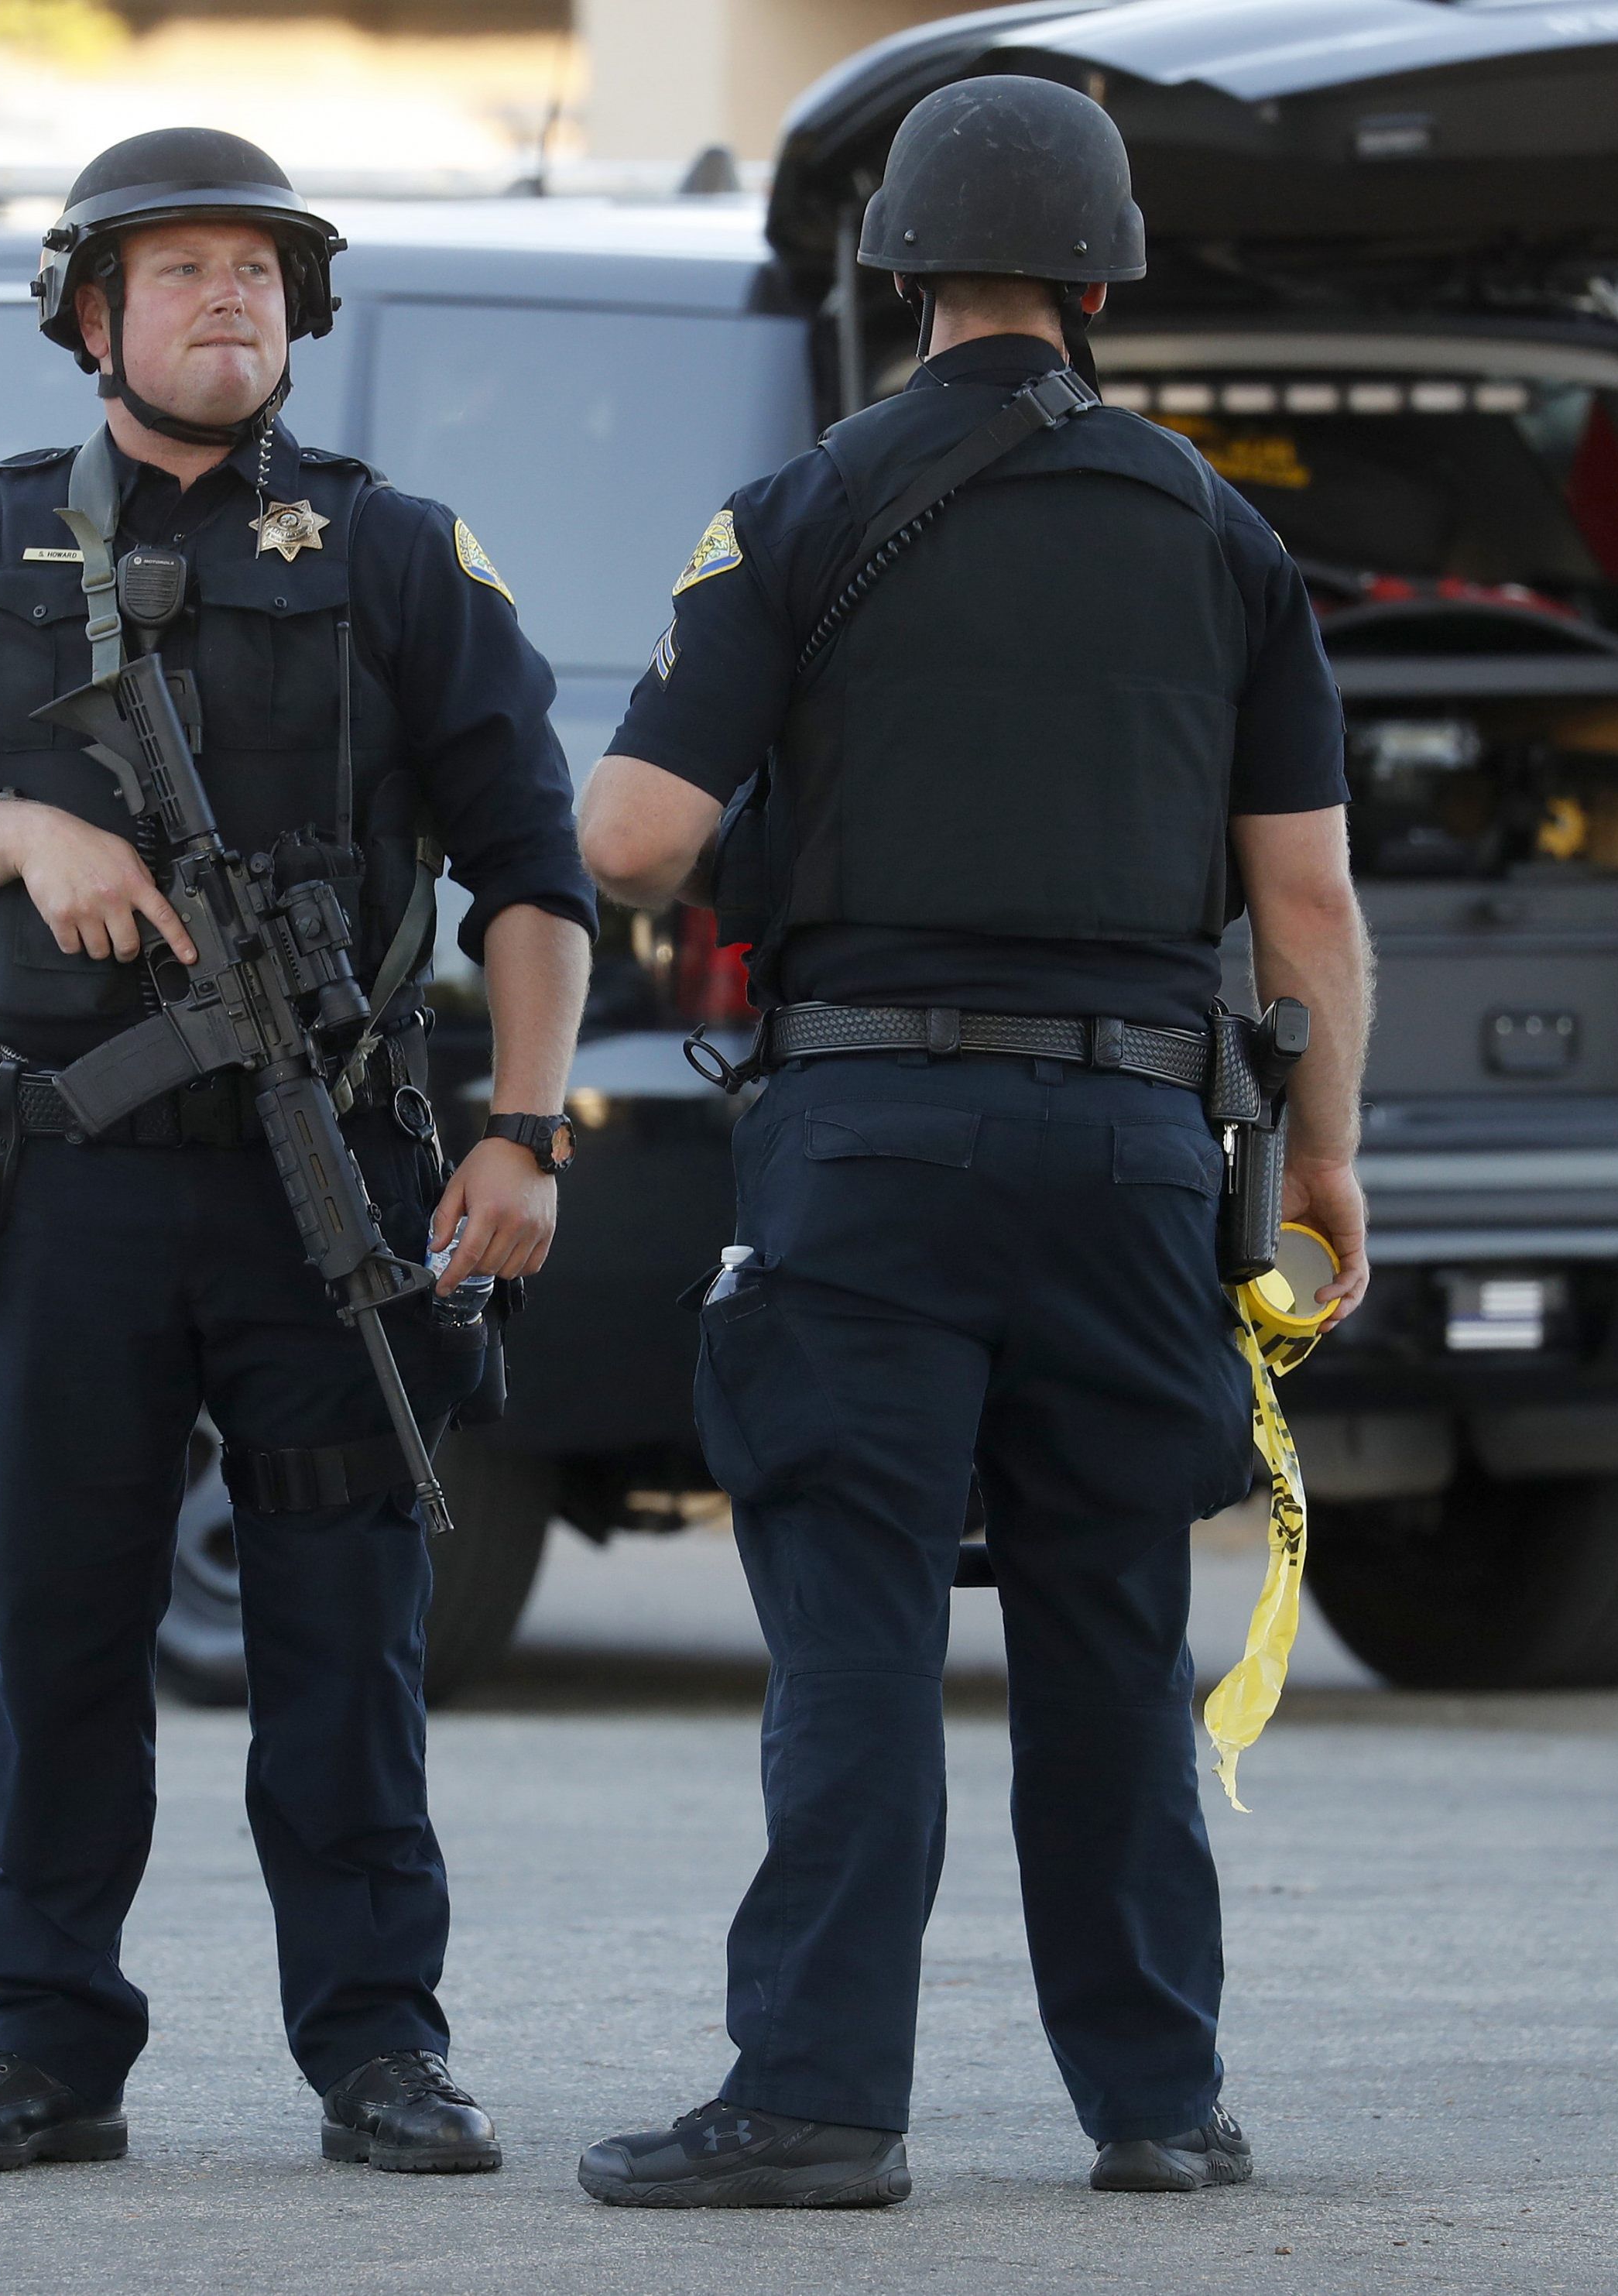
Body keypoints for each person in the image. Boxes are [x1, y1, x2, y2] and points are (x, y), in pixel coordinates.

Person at [570, 77, 1370, 2208]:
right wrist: (1325, 1161)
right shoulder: (1222, 537)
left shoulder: (791, 513)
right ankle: (1158, 2107)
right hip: (1130, 1144)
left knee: (852, 1629)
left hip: (872, 1141)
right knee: (1111, 1630)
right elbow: (1305, 908)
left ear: (896, 273)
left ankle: (818, 2104)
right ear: (1100, 280)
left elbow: (634, 837)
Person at [0, 128, 595, 2180]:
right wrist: (25, 834)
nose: (225, 296)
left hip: (328, 1173)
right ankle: (45, 2046)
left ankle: (378, 2049)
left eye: (256, 268)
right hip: (72, 1184)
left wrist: (522, 1133)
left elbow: (531, 874)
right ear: (91, 314)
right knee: (59, 1627)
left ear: (297, 312)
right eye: (178, 270)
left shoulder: (399, 554)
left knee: (343, 1633)